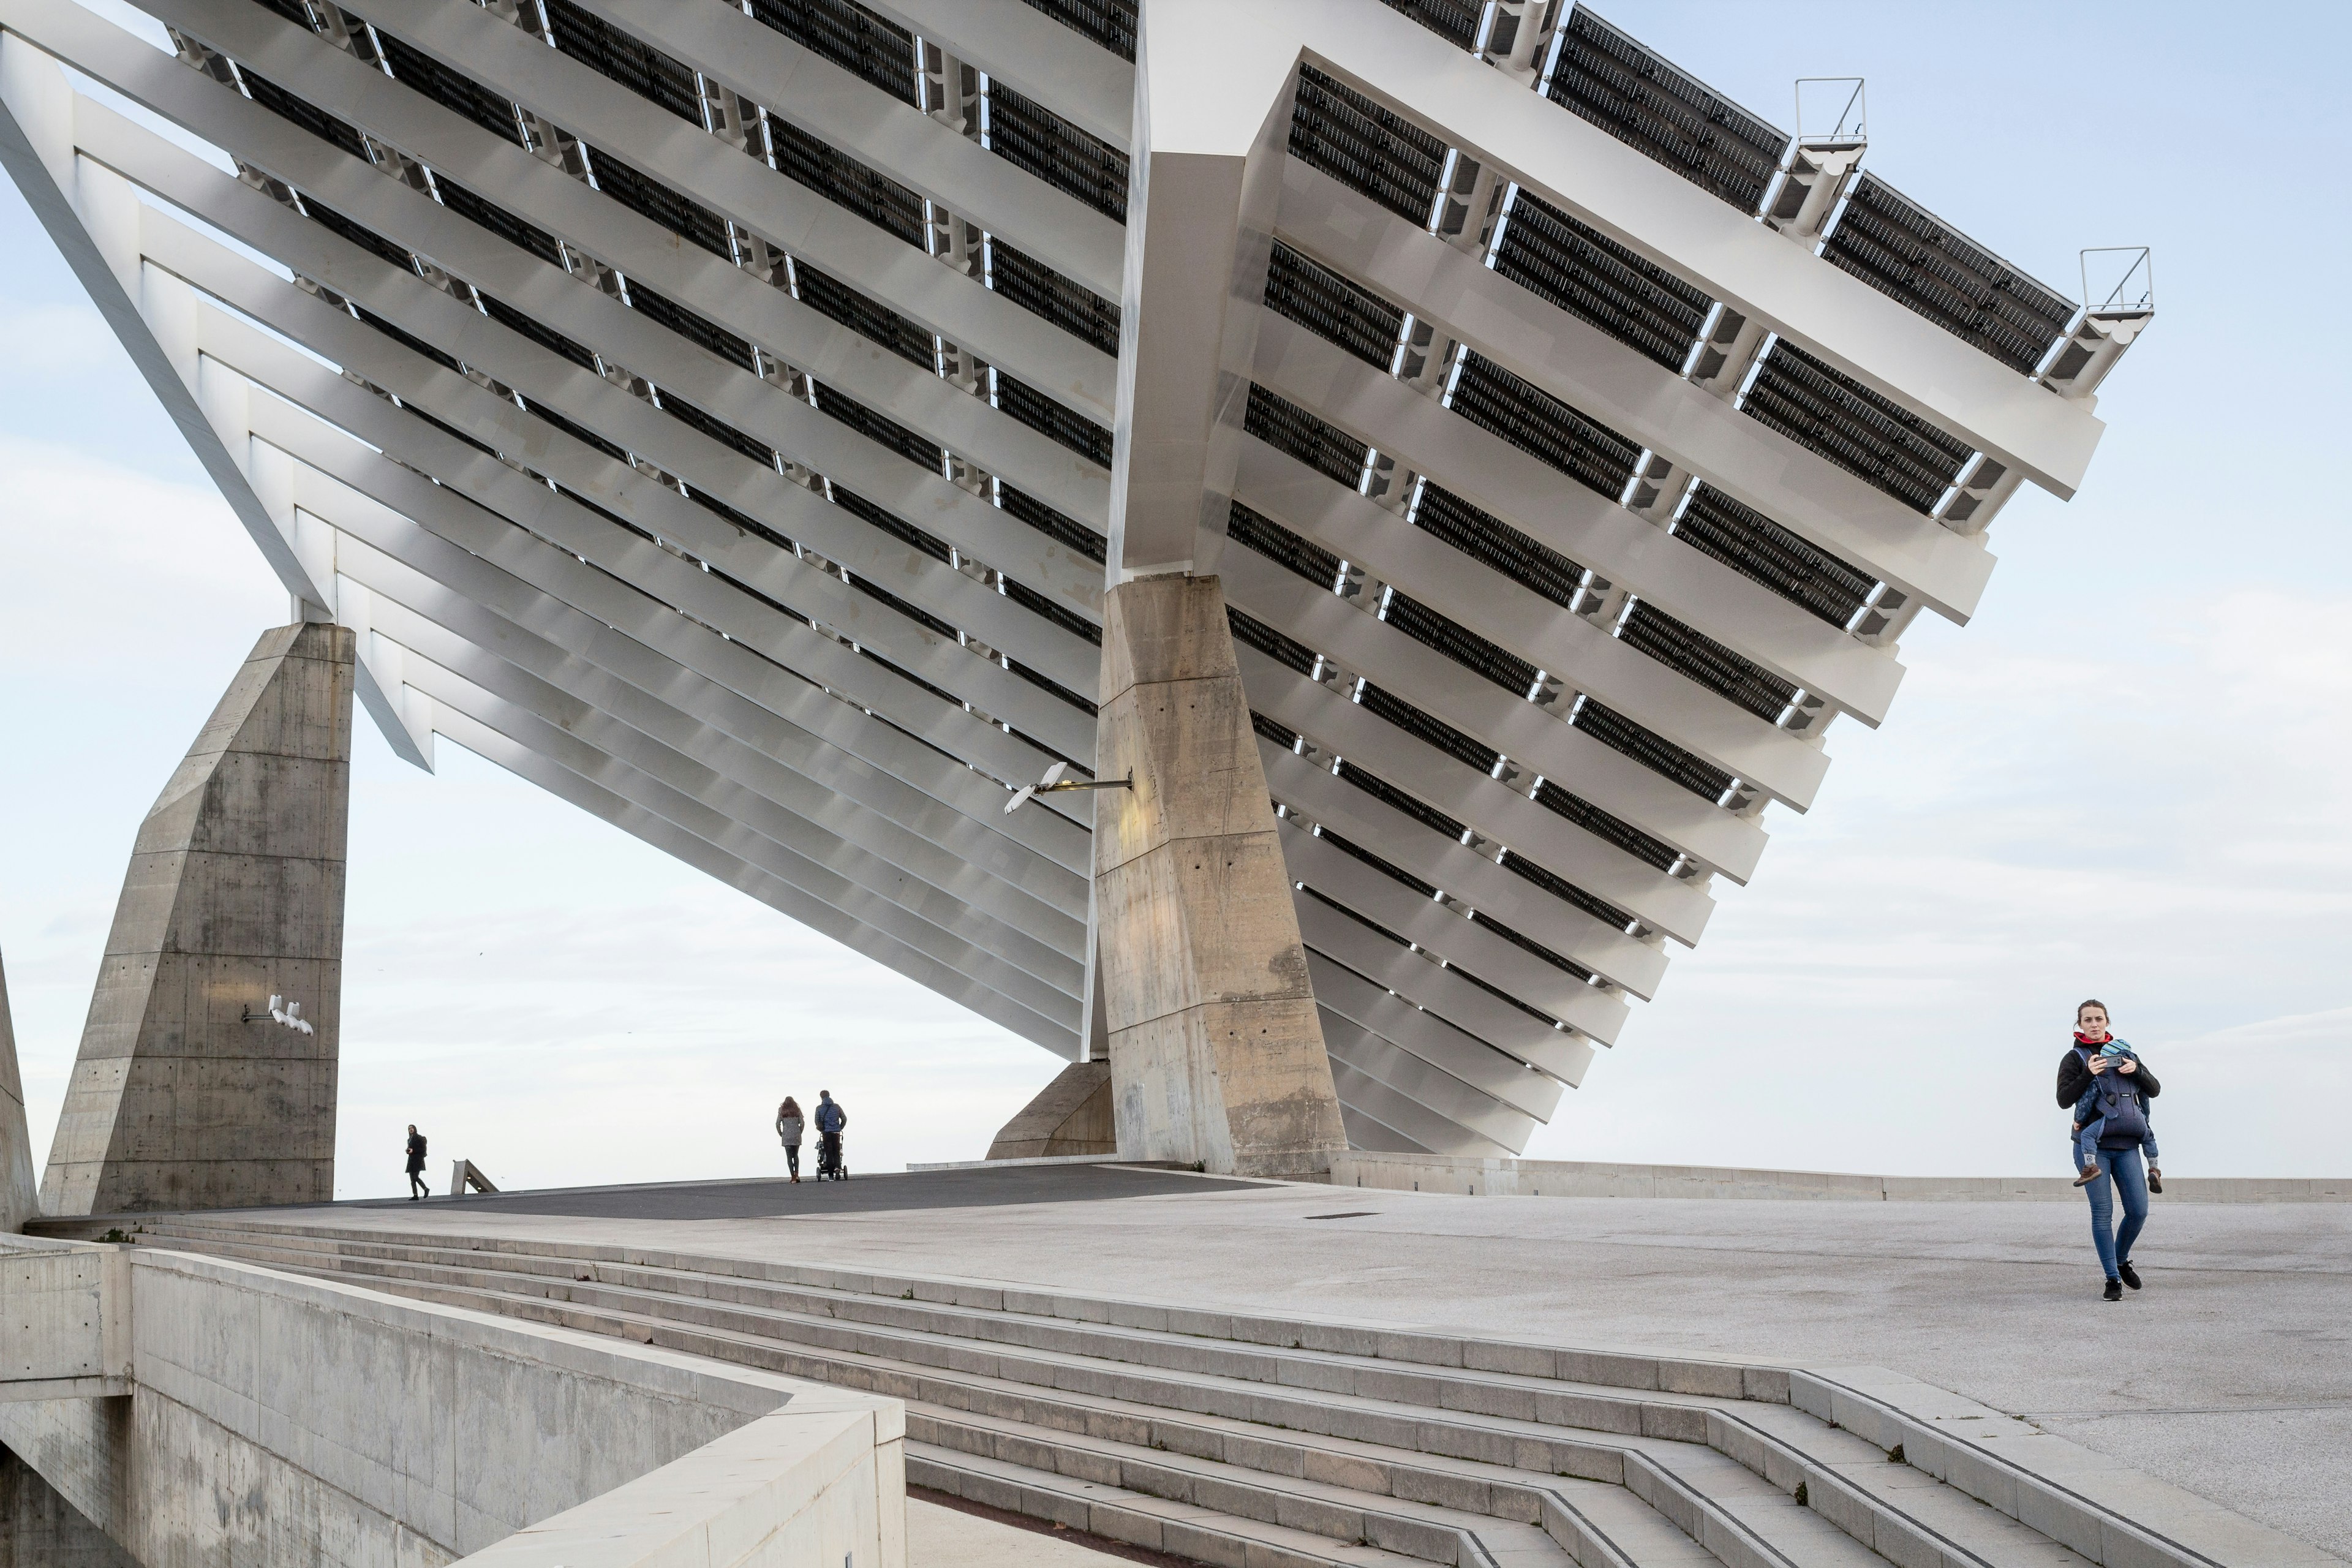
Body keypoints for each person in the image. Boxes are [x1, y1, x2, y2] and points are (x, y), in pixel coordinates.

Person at [2056, 1000, 2162, 1301]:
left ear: (2107, 1022)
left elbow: (2154, 1089)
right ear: (2079, 1025)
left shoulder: (2125, 1052)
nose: (2094, 1024)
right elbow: (2064, 1100)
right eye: (2087, 1020)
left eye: (2099, 1019)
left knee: (2139, 1211)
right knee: (2103, 1213)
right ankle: (2112, 1279)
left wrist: (2137, 1070)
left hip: (2127, 1146)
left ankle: (2120, 1258)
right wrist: (2088, 1073)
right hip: (2092, 1147)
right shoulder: (2074, 1058)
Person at [2068, 1038, 2161, 1191]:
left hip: (2112, 1120)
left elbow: (2088, 1100)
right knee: (2149, 1139)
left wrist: (2079, 1120)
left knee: (2087, 1135)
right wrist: (2145, 1118)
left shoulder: (2101, 1075)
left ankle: (2091, 1166)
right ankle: (2154, 1169)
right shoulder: (2134, 1075)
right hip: (2137, 1121)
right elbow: (2145, 1098)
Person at [815, 1090, 846, 1180]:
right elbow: (844, 1118)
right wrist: (840, 1128)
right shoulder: (837, 1107)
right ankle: (837, 1167)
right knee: (836, 1151)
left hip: (826, 1133)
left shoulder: (819, 1108)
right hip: (836, 1132)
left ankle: (831, 1175)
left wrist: (821, 1129)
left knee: (828, 1153)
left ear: (821, 1097)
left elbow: (817, 1121)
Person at [775, 1096, 806, 1183]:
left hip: (786, 1136)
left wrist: (781, 1133)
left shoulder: (781, 1110)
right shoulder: (797, 1110)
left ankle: (792, 1176)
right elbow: (802, 1123)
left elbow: (778, 1124)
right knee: (796, 1155)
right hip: (796, 1135)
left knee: (789, 1157)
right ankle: (797, 1174)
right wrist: (800, 1132)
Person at [404, 1125, 429, 1201]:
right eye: (409, 1129)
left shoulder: (419, 1138)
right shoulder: (409, 1139)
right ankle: (415, 1195)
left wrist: (413, 1151)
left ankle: (425, 1189)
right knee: (412, 1179)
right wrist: (408, 1151)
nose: (411, 1130)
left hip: (418, 1160)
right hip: (411, 1161)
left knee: (415, 1177)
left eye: (412, 1128)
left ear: (415, 1129)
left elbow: (422, 1149)